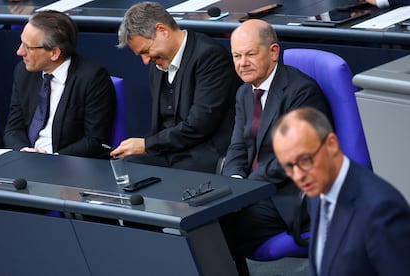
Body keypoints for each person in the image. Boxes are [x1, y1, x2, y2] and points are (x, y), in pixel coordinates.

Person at [219, 19, 332, 273]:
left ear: (273, 52)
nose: (242, 63)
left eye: (250, 54)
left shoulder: (301, 91)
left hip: (290, 194)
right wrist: (235, 182)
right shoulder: (244, 93)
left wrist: (246, 192)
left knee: (218, 231)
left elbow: (295, 157)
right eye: (236, 56)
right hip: (254, 189)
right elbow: (237, 146)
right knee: (207, 221)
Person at [272, 107, 410, 276]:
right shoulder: (316, 192)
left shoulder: (381, 210)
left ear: (332, 144)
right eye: (289, 166)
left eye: (305, 160)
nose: (298, 176)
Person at [112, 1, 240, 173]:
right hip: (171, 152)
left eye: (145, 51)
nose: (145, 60)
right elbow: (162, 125)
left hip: (203, 153)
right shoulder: (157, 65)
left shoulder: (209, 56)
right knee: (125, 165)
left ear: (162, 31)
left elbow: (200, 126)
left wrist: (146, 144)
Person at [4, 10, 116, 158]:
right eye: (21, 43)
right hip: (27, 160)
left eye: (28, 47)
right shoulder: (23, 72)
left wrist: (52, 158)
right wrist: (24, 152)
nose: (20, 52)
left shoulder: (92, 78)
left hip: (68, 165)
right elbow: (14, 128)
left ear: (55, 53)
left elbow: (95, 140)